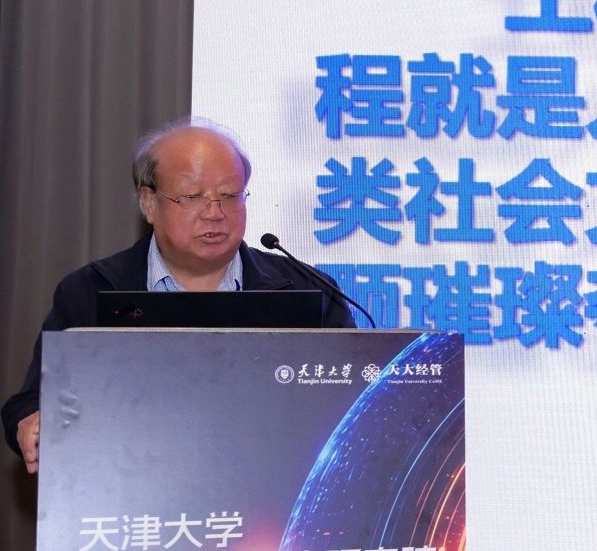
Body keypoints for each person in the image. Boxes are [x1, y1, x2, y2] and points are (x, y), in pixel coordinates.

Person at [3, 118, 356, 473]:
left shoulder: (309, 290)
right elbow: (32, 401)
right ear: (149, 203)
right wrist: (32, 420)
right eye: (192, 197)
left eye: (229, 195)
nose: (215, 213)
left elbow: (354, 400)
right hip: (133, 485)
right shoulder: (91, 290)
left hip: (274, 486)